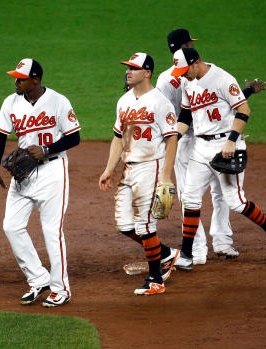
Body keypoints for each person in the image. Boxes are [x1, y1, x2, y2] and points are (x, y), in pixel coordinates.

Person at [156, 29, 266, 264]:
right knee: (191, 196)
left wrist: (245, 93)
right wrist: (166, 139)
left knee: (223, 194)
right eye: (188, 43)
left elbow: (219, 101)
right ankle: (195, 251)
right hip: (184, 140)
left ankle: (222, 242)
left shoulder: (205, 75)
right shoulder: (172, 79)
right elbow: (181, 113)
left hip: (211, 139)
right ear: (182, 48)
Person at [170, 47, 266, 270]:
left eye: (185, 70)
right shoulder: (187, 82)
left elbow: (244, 109)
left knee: (235, 201)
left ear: (196, 63)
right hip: (200, 148)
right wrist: (172, 138)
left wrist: (232, 140)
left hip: (226, 145)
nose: (183, 74)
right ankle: (186, 254)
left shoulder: (223, 79)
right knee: (190, 199)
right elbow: (185, 115)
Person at [0, 58, 80, 307]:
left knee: (51, 231)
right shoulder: (11, 102)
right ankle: (38, 278)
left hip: (52, 171)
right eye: (15, 77)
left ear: (35, 79)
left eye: (21, 78)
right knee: (11, 226)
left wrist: (47, 149)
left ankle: (61, 288)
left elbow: (74, 137)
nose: (16, 81)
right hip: (23, 174)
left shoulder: (59, 101)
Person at [99, 53, 180, 295]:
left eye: (134, 68)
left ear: (147, 73)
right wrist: (109, 169)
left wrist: (165, 176)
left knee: (145, 226)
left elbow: (172, 139)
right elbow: (117, 137)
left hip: (151, 167)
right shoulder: (123, 101)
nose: (128, 71)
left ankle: (156, 279)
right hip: (129, 168)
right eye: (128, 68)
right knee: (124, 224)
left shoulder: (160, 102)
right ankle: (166, 254)